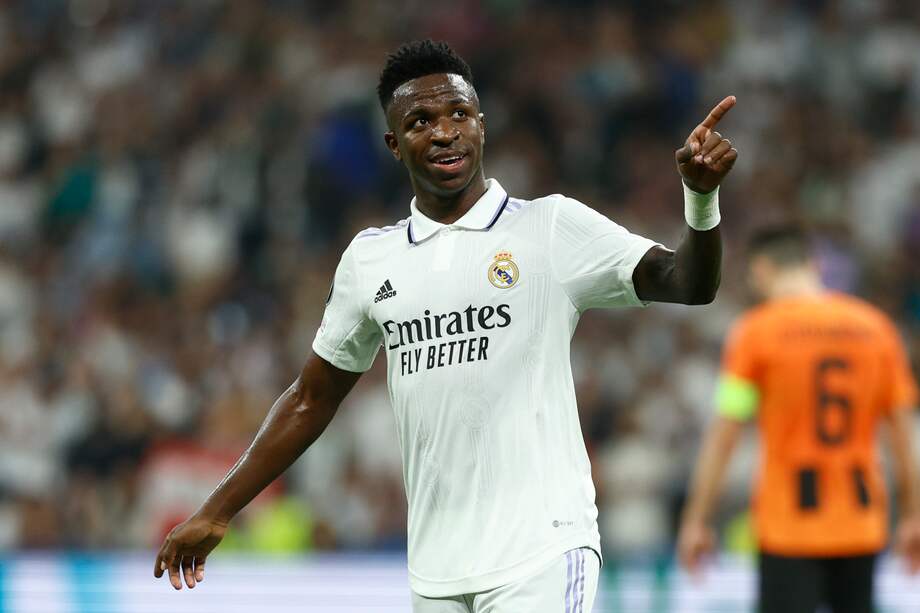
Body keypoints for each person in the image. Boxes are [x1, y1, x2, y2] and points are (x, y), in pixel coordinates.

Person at [154, 39, 738, 612]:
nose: (444, 131)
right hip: (435, 571)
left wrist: (701, 199)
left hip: (541, 551)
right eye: (421, 120)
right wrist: (217, 508)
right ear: (393, 143)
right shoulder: (370, 260)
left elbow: (688, 283)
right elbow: (310, 399)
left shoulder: (549, 228)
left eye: (460, 113)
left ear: (481, 125)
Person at [677, 224, 920, 613]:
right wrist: (913, 514)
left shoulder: (756, 334)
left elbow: (726, 432)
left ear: (761, 271)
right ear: (815, 265)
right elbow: (902, 434)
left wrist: (696, 519)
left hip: (788, 522)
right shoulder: (877, 330)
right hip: (860, 522)